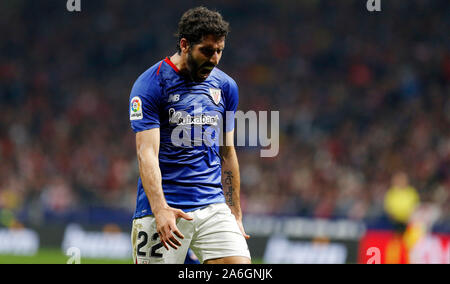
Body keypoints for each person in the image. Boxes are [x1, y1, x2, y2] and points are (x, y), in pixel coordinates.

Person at [129, 6, 251, 264]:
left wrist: (235, 213)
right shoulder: (151, 85)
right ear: (185, 45)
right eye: (206, 50)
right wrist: (159, 209)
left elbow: (227, 151)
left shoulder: (226, 87)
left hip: (213, 206)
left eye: (219, 51)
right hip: (165, 208)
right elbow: (146, 153)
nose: (215, 58)